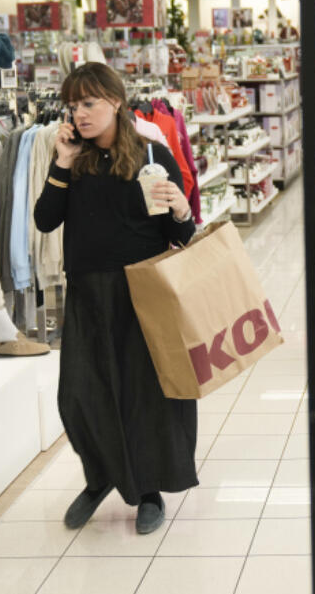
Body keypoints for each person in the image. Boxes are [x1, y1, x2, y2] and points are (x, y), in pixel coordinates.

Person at [33, 63, 198, 536]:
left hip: (141, 293)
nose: (79, 114)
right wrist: (62, 162)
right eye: (73, 106)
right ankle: (100, 476)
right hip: (86, 292)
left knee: (142, 394)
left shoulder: (152, 155)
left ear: (116, 102)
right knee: (83, 394)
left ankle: (147, 490)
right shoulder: (73, 159)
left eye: (89, 103)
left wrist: (183, 207)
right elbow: (46, 220)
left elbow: (179, 234)